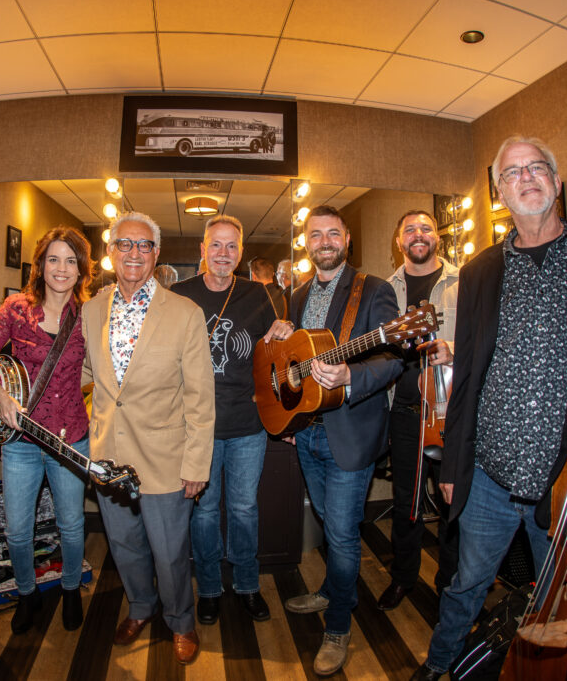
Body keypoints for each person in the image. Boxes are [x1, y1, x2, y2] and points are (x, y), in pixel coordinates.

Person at [412, 137, 567, 680]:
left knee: (564, 600)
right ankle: (439, 664)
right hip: (489, 474)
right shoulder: (479, 271)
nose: (527, 178)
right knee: (466, 584)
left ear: (556, 183)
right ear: (500, 193)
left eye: (537, 167)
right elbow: (468, 376)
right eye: (513, 172)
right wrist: (453, 466)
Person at [273, 204, 403, 675]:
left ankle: (339, 625)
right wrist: (291, 414)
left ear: (346, 239)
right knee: (330, 522)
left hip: (351, 432)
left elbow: (393, 358)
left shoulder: (375, 289)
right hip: (308, 432)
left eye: (333, 233)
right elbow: (295, 363)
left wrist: (350, 376)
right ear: (306, 242)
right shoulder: (297, 294)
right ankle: (332, 589)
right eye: (316, 235)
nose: (324, 242)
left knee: (343, 532)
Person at [81, 211, 214, 665]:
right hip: (109, 454)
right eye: (125, 244)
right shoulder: (92, 309)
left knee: (170, 551)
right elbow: (87, 374)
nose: (134, 253)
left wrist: (196, 464)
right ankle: (140, 606)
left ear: (156, 254)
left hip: (166, 458)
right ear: (110, 252)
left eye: (144, 245)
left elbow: (200, 397)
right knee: (123, 545)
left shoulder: (185, 313)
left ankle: (180, 620)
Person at [171, 216, 289, 627]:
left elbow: (274, 353)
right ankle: (208, 588)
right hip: (195, 428)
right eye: (216, 245)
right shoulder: (179, 295)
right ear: (203, 250)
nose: (223, 253)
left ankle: (247, 584)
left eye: (231, 246)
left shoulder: (258, 294)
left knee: (243, 509)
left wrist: (284, 330)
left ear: (240, 253)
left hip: (246, 425)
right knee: (203, 513)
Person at [0, 226, 93, 634]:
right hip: (22, 439)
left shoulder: (90, 315)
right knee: (18, 530)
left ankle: (70, 589)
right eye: (53, 259)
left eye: (70, 260)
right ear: (40, 265)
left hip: (71, 438)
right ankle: (27, 593)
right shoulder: (15, 309)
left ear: (81, 269)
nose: (61, 268)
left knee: (71, 524)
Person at [379, 210, 460, 611]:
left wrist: (453, 350)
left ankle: (450, 585)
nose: (418, 234)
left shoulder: (463, 282)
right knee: (405, 503)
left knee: (451, 502)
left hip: (450, 414)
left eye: (426, 228)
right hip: (404, 410)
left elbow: (485, 339)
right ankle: (403, 577)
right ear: (399, 241)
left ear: (437, 237)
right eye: (409, 229)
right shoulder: (385, 288)